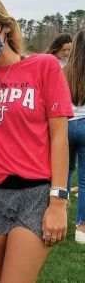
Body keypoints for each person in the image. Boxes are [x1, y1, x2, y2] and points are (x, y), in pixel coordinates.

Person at [0, 0, 73, 283]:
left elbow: (59, 137)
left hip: (35, 194)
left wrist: (58, 202)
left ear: (5, 27)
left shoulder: (44, 66)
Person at [64, 29, 85, 244]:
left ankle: (59, 215)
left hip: (66, 125)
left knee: (65, 173)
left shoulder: (63, 71)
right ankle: (82, 229)